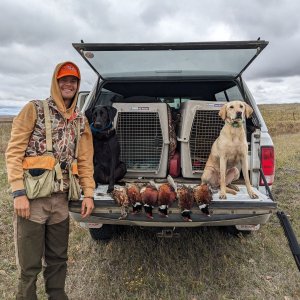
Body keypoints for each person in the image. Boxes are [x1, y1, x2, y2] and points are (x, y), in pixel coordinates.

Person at [5, 61, 95, 299]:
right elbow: (14, 152)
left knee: (58, 260)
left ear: (77, 85)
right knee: (29, 265)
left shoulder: (80, 120)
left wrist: (88, 193)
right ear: (56, 82)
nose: (68, 84)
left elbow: (85, 160)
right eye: (63, 79)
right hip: (32, 201)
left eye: (73, 80)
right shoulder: (34, 109)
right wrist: (18, 193)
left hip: (61, 202)